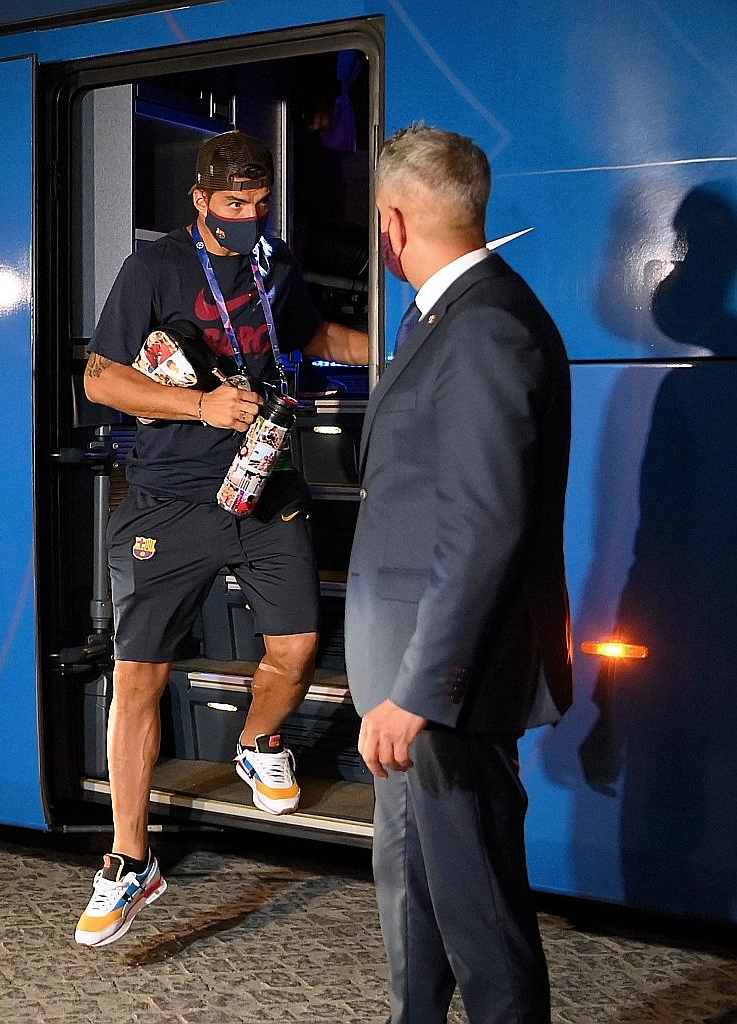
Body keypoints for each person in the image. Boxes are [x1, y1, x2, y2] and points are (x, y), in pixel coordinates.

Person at [75, 130, 368, 948]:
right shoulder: (156, 269)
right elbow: (101, 376)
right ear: (199, 201)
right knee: (138, 680)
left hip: (268, 485)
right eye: (234, 205)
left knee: (298, 649)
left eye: (260, 204)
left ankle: (256, 740)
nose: (249, 217)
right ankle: (131, 862)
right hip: (169, 501)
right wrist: (202, 407)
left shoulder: (274, 263)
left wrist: (398, 344)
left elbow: (313, 342)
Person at [347, 124, 572, 1022]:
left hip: (441, 685)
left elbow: (484, 526)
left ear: (393, 223)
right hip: (408, 679)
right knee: (411, 884)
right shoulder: (449, 315)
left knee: (478, 915)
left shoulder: (485, 327)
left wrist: (422, 690)